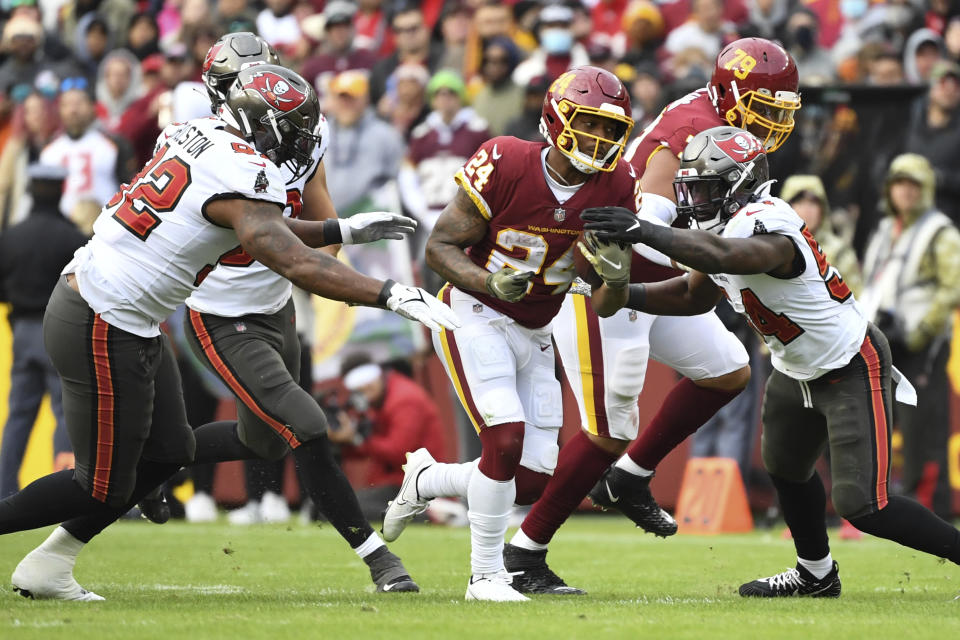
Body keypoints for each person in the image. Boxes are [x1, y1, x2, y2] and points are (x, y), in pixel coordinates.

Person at [2, 62, 459, 601]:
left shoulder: (200, 134)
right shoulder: (240, 169)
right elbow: (289, 257)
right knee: (100, 483)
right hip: (102, 315)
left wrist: (339, 229)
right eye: (288, 126)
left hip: (127, 311)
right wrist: (387, 292)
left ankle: (48, 567)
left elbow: (251, 222)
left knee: (169, 448)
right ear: (257, 122)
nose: (301, 139)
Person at [582, 125, 960, 597]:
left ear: (739, 184)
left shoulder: (768, 221)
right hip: (795, 369)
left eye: (705, 188)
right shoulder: (722, 229)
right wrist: (620, 294)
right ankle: (816, 575)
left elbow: (728, 254)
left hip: (848, 365)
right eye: (690, 188)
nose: (694, 200)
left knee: (865, 505)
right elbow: (692, 293)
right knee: (784, 466)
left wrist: (644, 230)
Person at [488, 37, 801, 595]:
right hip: (606, 275)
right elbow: (644, 230)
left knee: (727, 369)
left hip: (653, 277)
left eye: (782, 110)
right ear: (731, 94)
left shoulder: (724, 127)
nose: (772, 122)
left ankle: (629, 478)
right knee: (611, 426)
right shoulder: (688, 129)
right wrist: (714, 258)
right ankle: (523, 553)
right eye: (764, 106)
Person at [385, 65, 639, 602]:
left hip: (537, 324)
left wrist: (616, 281)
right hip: (474, 310)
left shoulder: (617, 185)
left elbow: (605, 303)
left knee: (530, 478)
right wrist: (488, 280)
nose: (600, 140)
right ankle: (485, 577)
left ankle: (427, 481)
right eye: (589, 124)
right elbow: (438, 248)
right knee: (503, 437)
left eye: (611, 130)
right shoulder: (507, 159)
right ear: (556, 117)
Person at [860, 154, 960, 519]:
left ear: (927, 189)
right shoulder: (886, 228)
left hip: (923, 345)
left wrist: (922, 330)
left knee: (925, 428)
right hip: (884, 341)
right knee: (878, 422)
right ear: (889, 189)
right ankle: (889, 503)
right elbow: (870, 280)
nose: (905, 191)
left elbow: (952, 288)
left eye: (914, 184)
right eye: (899, 183)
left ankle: (933, 507)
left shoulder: (941, 231)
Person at [0, 165, 87, 498]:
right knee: (65, 412)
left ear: (30, 190)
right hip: (59, 329)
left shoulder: (11, 237)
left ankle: (4, 491)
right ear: (62, 190)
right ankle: (62, 491)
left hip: (21, 331)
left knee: (18, 416)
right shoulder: (73, 239)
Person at [328, 354, 449, 521]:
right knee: (336, 506)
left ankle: (431, 515)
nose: (363, 388)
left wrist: (357, 438)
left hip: (413, 484)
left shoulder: (404, 399)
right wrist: (342, 439)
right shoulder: (381, 398)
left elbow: (399, 452)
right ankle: (425, 514)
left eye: (366, 381)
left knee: (341, 509)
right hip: (398, 483)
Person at [39, 79, 133, 218]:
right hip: (63, 226)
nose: (73, 110)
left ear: (92, 107)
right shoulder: (49, 149)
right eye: (67, 105)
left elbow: (129, 187)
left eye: (79, 103)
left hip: (105, 223)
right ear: (59, 110)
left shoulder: (114, 144)